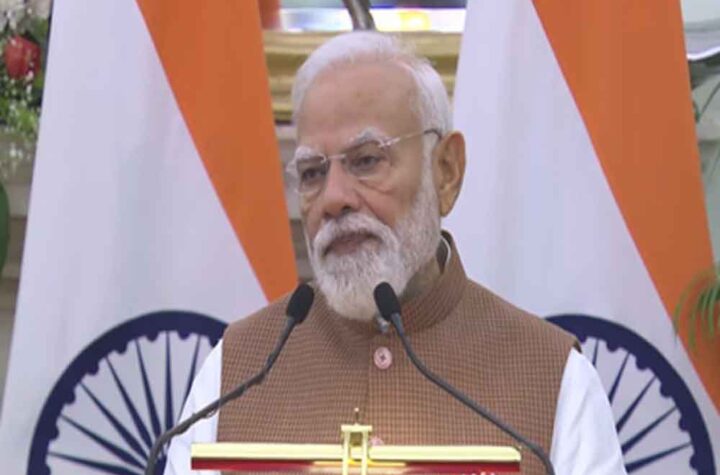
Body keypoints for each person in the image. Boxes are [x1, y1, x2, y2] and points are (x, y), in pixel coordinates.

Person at [164, 31, 626, 475]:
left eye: (367, 160)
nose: (333, 199)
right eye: (312, 173)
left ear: (446, 171)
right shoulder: (235, 371)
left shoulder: (552, 376)